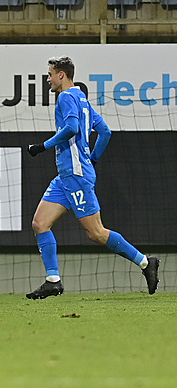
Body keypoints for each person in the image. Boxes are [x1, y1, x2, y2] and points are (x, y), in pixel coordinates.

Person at [25, 56, 160, 299]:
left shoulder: (66, 97)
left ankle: (145, 262)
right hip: (66, 176)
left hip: (76, 176)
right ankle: (53, 280)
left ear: (61, 75)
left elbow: (72, 129)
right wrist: (93, 159)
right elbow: (105, 132)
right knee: (40, 223)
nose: (48, 79)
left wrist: (42, 146)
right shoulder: (83, 100)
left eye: (50, 74)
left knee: (96, 233)